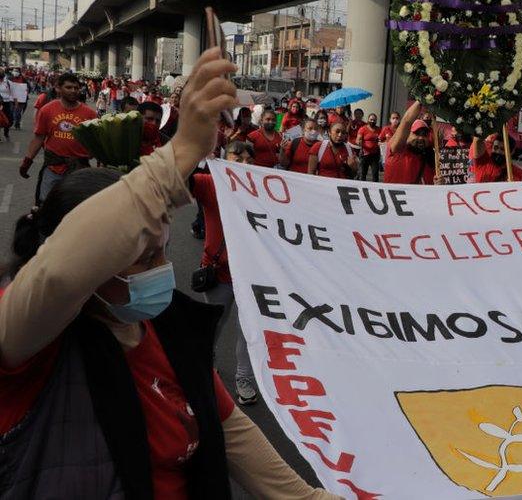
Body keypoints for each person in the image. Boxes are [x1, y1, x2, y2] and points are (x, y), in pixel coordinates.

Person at [0, 48, 338, 499]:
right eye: (142, 259)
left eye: (162, 253)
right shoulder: (29, 338)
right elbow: (59, 274)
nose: (161, 270)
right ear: (94, 262)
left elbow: (231, 430)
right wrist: (180, 152)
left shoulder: (167, 332)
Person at [191, 140, 261, 405]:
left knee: (248, 329)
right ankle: (208, 366)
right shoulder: (210, 184)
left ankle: (244, 378)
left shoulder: (262, 190)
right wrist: (196, 157)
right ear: (223, 157)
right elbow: (181, 182)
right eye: (237, 157)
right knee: (215, 325)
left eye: (248, 160)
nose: (243, 163)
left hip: (252, 277)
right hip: (219, 274)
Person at [20, 73, 97, 203]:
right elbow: (39, 138)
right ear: (58, 88)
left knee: (75, 207)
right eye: (68, 87)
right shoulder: (47, 110)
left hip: (79, 170)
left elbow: (96, 142)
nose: (73, 90)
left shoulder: (90, 114)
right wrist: (27, 161)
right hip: (53, 167)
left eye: (76, 88)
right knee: (45, 204)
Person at [383, 102, 436, 184]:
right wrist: (421, 99)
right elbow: (407, 121)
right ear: (407, 134)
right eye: (416, 133)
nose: (421, 138)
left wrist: (439, 184)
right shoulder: (397, 150)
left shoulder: (429, 159)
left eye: (424, 135)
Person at [356, 113, 382, 182]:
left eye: (374, 120)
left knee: (375, 174)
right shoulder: (363, 129)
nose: (372, 121)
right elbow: (358, 140)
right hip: (365, 154)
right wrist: (360, 142)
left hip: (375, 155)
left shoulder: (379, 129)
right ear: (368, 120)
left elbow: (381, 139)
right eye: (371, 119)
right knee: (362, 174)